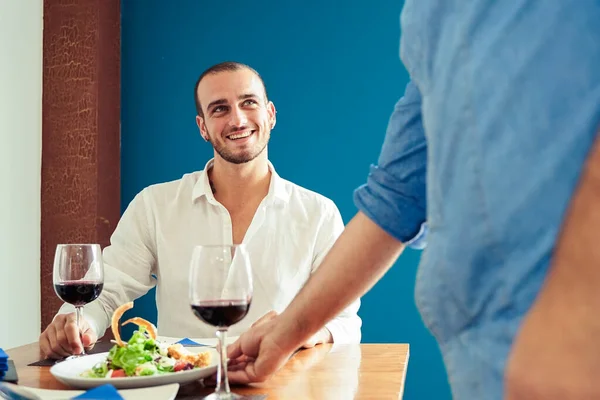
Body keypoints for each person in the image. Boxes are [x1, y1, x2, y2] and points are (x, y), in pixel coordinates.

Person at [226, 2, 600, 399]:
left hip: (569, 357)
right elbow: (395, 199)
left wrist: (580, 315)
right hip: (482, 356)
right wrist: (286, 334)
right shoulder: (429, 14)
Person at [39, 62, 362, 359]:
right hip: (181, 384)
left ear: (271, 114)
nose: (237, 119)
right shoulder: (155, 205)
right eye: (220, 109)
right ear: (203, 127)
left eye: (248, 102)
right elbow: (108, 291)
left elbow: (345, 321)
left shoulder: (318, 213)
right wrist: (78, 325)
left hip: (281, 382)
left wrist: (307, 332)